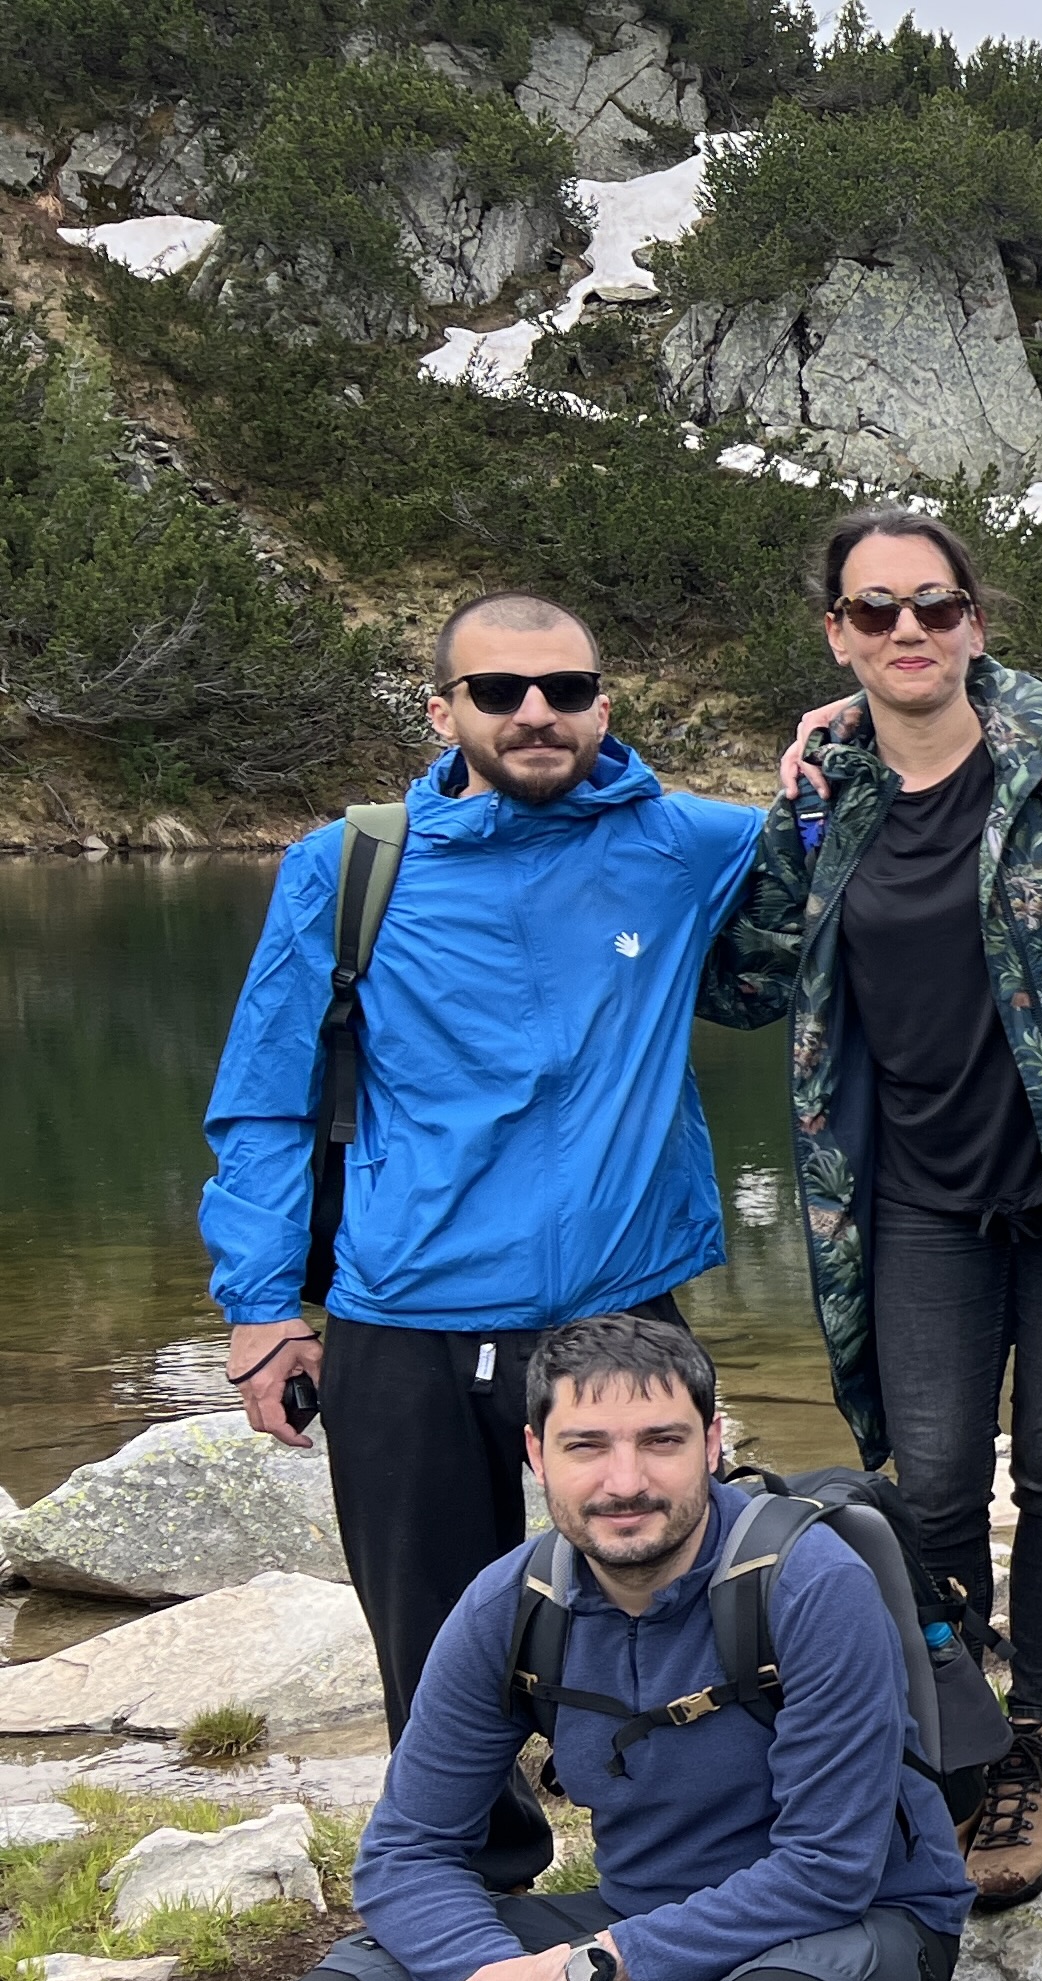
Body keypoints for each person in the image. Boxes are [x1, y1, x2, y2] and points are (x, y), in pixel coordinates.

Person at [203, 592, 762, 1892]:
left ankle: (684, 1879)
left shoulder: (686, 844)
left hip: (618, 1312)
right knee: (434, 1642)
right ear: (442, 710)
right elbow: (267, 1098)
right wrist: (262, 1307)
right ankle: (467, 1888)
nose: (535, 713)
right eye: (499, 691)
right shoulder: (347, 868)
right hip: (406, 1316)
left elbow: (875, 830)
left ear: (603, 707)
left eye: (564, 690)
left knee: (671, 1605)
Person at [236, 1315, 975, 1981]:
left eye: (661, 1441)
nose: (625, 1482)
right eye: (587, 1446)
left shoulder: (809, 1582)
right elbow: (406, 1852)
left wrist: (568, 1979)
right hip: (639, 1918)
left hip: (858, 1918)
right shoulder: (511, 1605)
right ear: (536, 1453)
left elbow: (829, 1869)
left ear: (712, 1443)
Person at [711, 508, 1042, 1910]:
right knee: (936, 1482)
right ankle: (961, 1738)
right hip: (911, 1196)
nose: (909, 629)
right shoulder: (820, 801)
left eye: (936, 604)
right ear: (837, 634)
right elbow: (745, 980)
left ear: (975, 619)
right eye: (876, 610)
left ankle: (1040, 1737)